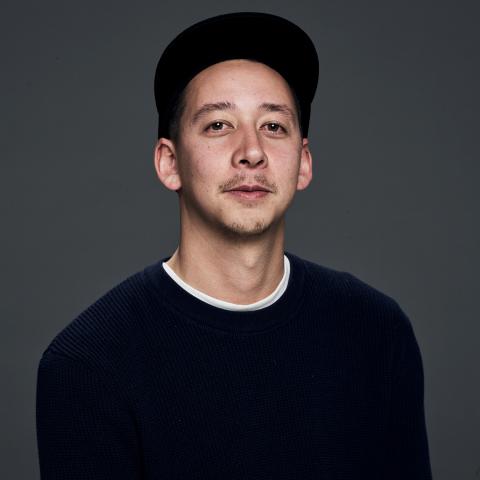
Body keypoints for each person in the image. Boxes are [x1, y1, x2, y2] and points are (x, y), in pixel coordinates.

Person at [35, 12, 433, 479]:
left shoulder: (377, 332)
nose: (252, 152)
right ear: (169, 163)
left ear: (303, 163)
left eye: (274, 126)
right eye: (219, 125)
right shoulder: (88, 363)